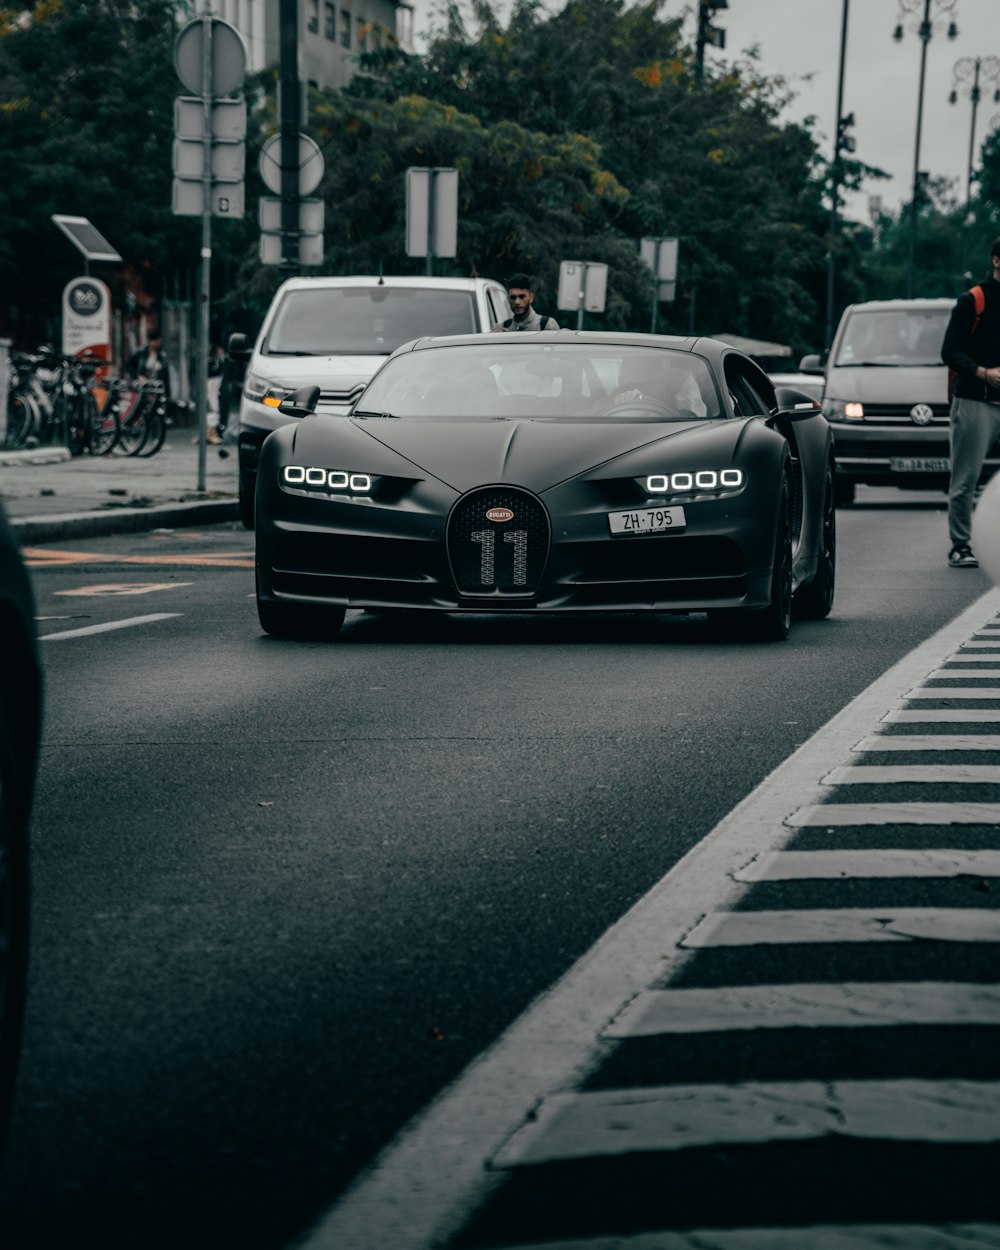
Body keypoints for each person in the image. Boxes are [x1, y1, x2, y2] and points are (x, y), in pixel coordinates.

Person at [941, 237, 1000, 568]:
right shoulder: (973, 301)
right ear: (996, 261)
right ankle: (960, 545)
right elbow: (949, 350)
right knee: (966, 477)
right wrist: (983, 372)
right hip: (976, 400)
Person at [492, 273, 559, 332]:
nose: (517, 302)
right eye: (513, 297)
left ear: (531, 298)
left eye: (522, 297)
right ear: (508, 299)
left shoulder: (548, 326)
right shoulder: (502, 327)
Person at [125, 330, 171, 401]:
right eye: (155, 342)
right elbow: (128, 366)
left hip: (157, 390)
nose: (157, 344)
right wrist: (137, 376)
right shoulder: (140, 353)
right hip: (142, 389)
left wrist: (167, 394)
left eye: (159, 342)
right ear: (150, 341)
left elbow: (166, 376)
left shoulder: (162, 356)